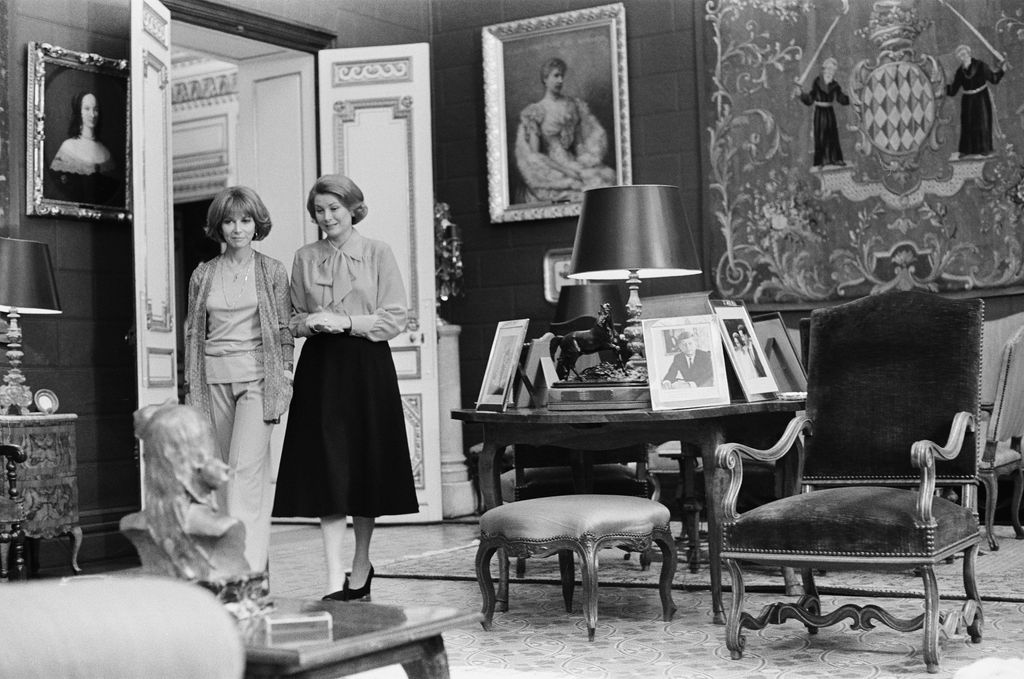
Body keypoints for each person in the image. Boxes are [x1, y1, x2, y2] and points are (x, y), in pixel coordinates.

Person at [273, 174, 418, 602]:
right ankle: (332, 575)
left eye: (334, 208)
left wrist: (348, 322)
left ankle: (361, 563)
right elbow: (291, 319)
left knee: (364, 464)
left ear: (353, 207)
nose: (326, 217)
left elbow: (396, 317)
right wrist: (310, 323)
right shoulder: (304, 257)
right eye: (319, 210)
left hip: (366, 366)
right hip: (321, 368)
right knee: (327, 469)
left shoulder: (377, 253)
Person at [182, 186, 293, 574]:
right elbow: (193, 335)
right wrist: (189, 388)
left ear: (256, 224)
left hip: (258, 381)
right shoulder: (203, 274)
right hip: (213, 380)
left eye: (245, 220)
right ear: (219, 227)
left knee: (247, 473)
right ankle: (233, 560)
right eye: (229, 221)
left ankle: (244, 568)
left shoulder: (273, 271)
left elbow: (282, 330)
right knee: (222, 476)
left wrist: (286, 377)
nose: (237, 228)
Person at [514, 57, 616, 204]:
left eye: (562, 76)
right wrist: (567, 171)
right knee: (585, 189)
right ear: (545, 79)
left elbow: (580, 143)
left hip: (574, 162)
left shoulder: (573, 105)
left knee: (607, 178)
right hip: (553, 167)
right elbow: (535, 157)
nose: (560, 80)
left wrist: (584, 163)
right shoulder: (536, 111)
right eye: (556, 76)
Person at [48, 91, 120, 205]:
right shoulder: (68, 147)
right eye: (87, 109)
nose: (92, 114)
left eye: (95, 109)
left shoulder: (106, 152)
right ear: (79, 112)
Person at [946, 44, 1006, 158]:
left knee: (982, 122)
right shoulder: (960, 71)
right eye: (960, 55)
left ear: (969, 54)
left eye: (963, 54)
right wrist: (942, 88)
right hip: (967, 100)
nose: (962, 57)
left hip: (981, 98)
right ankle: (967, 151)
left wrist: (1001, 71)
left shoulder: (980, 65)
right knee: (967, 124)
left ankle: (985, 149)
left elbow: (993, 79)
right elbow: (953, 90)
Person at [793, 57, 849, 167]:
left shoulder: (835, 85)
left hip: (829, 112)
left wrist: (851, 97)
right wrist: (801, 94)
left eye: (832, 70)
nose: (830, 72)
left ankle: (836, 159)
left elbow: (841, 99)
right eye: (828, 69)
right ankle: (821, 161)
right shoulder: (817, 82)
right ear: (824, 69)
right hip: (819, 112)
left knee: (833, 135)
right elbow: (810, 99)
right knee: (821, 135)